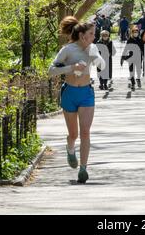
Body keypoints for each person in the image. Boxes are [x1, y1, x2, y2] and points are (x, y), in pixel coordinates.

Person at [48, 16, 106, 183]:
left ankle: (83, 168)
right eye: (91, 33)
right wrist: (72, 67)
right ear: (82, 35)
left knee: (85, 132)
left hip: (86, 93)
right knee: (73, 134)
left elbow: (102, 67)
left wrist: (94, 56)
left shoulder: (92, 47)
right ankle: (70, 148)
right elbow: (51, 71)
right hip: (70, 93)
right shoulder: (68, 50)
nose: (94, 37)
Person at [121, 26, 143, 90]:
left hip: (139, 57)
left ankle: (138, 79)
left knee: (138, 70)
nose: (135, 33)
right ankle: (133, 83)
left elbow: (143, 49)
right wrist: (123, 56)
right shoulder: (129, 40)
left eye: (137, 32)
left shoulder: (140, 40)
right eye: (134, 32)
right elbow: (126, 49)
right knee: (131, 71)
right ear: (132, 33)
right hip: (131, 57)